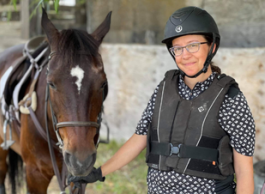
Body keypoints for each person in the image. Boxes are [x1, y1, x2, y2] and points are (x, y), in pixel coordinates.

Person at [68, 6, 255, 194]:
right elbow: (139, 138)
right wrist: (98, 173)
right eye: (178, 48)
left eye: (193, 45)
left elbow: (244, 171)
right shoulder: (164, 89)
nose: (185, 55)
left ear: (212, 46)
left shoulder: (230, 99)